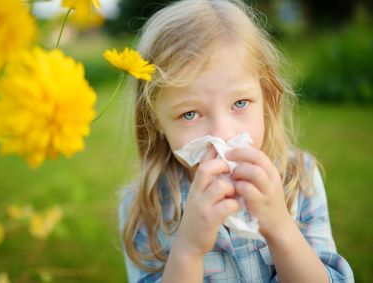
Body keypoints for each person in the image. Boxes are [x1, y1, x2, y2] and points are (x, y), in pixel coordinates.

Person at [118, 0, 354, 282]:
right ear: (155, 119)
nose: (222, 133)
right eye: (190, 113)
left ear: (266, 95)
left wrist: (280, 227)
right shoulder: (146, 206)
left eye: (240, 103)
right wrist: (189, 249)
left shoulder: (298, 179)